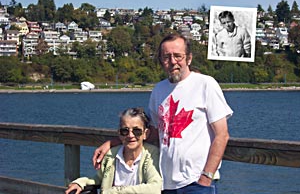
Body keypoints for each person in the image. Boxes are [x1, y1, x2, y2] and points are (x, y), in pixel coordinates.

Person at [93, 34, 233, 194]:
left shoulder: (205, 84)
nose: (173, 61)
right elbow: (152, 134)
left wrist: (206, 178)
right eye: (167, 57)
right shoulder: (158, 91)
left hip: (197, 182)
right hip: (166, 183)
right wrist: (113, 143)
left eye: (178, 56)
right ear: (161, 61)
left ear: (189, 58)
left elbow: (222, 135)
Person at [66, 107, 162, 194]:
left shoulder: (151, 154)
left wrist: (116, 191)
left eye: (136, 131)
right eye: (125, 131)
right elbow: (99, 178)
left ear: (146, 133)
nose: (130, 135)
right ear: (119, 133)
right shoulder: (111, 155)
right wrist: (80, 183)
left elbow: (155, 188)